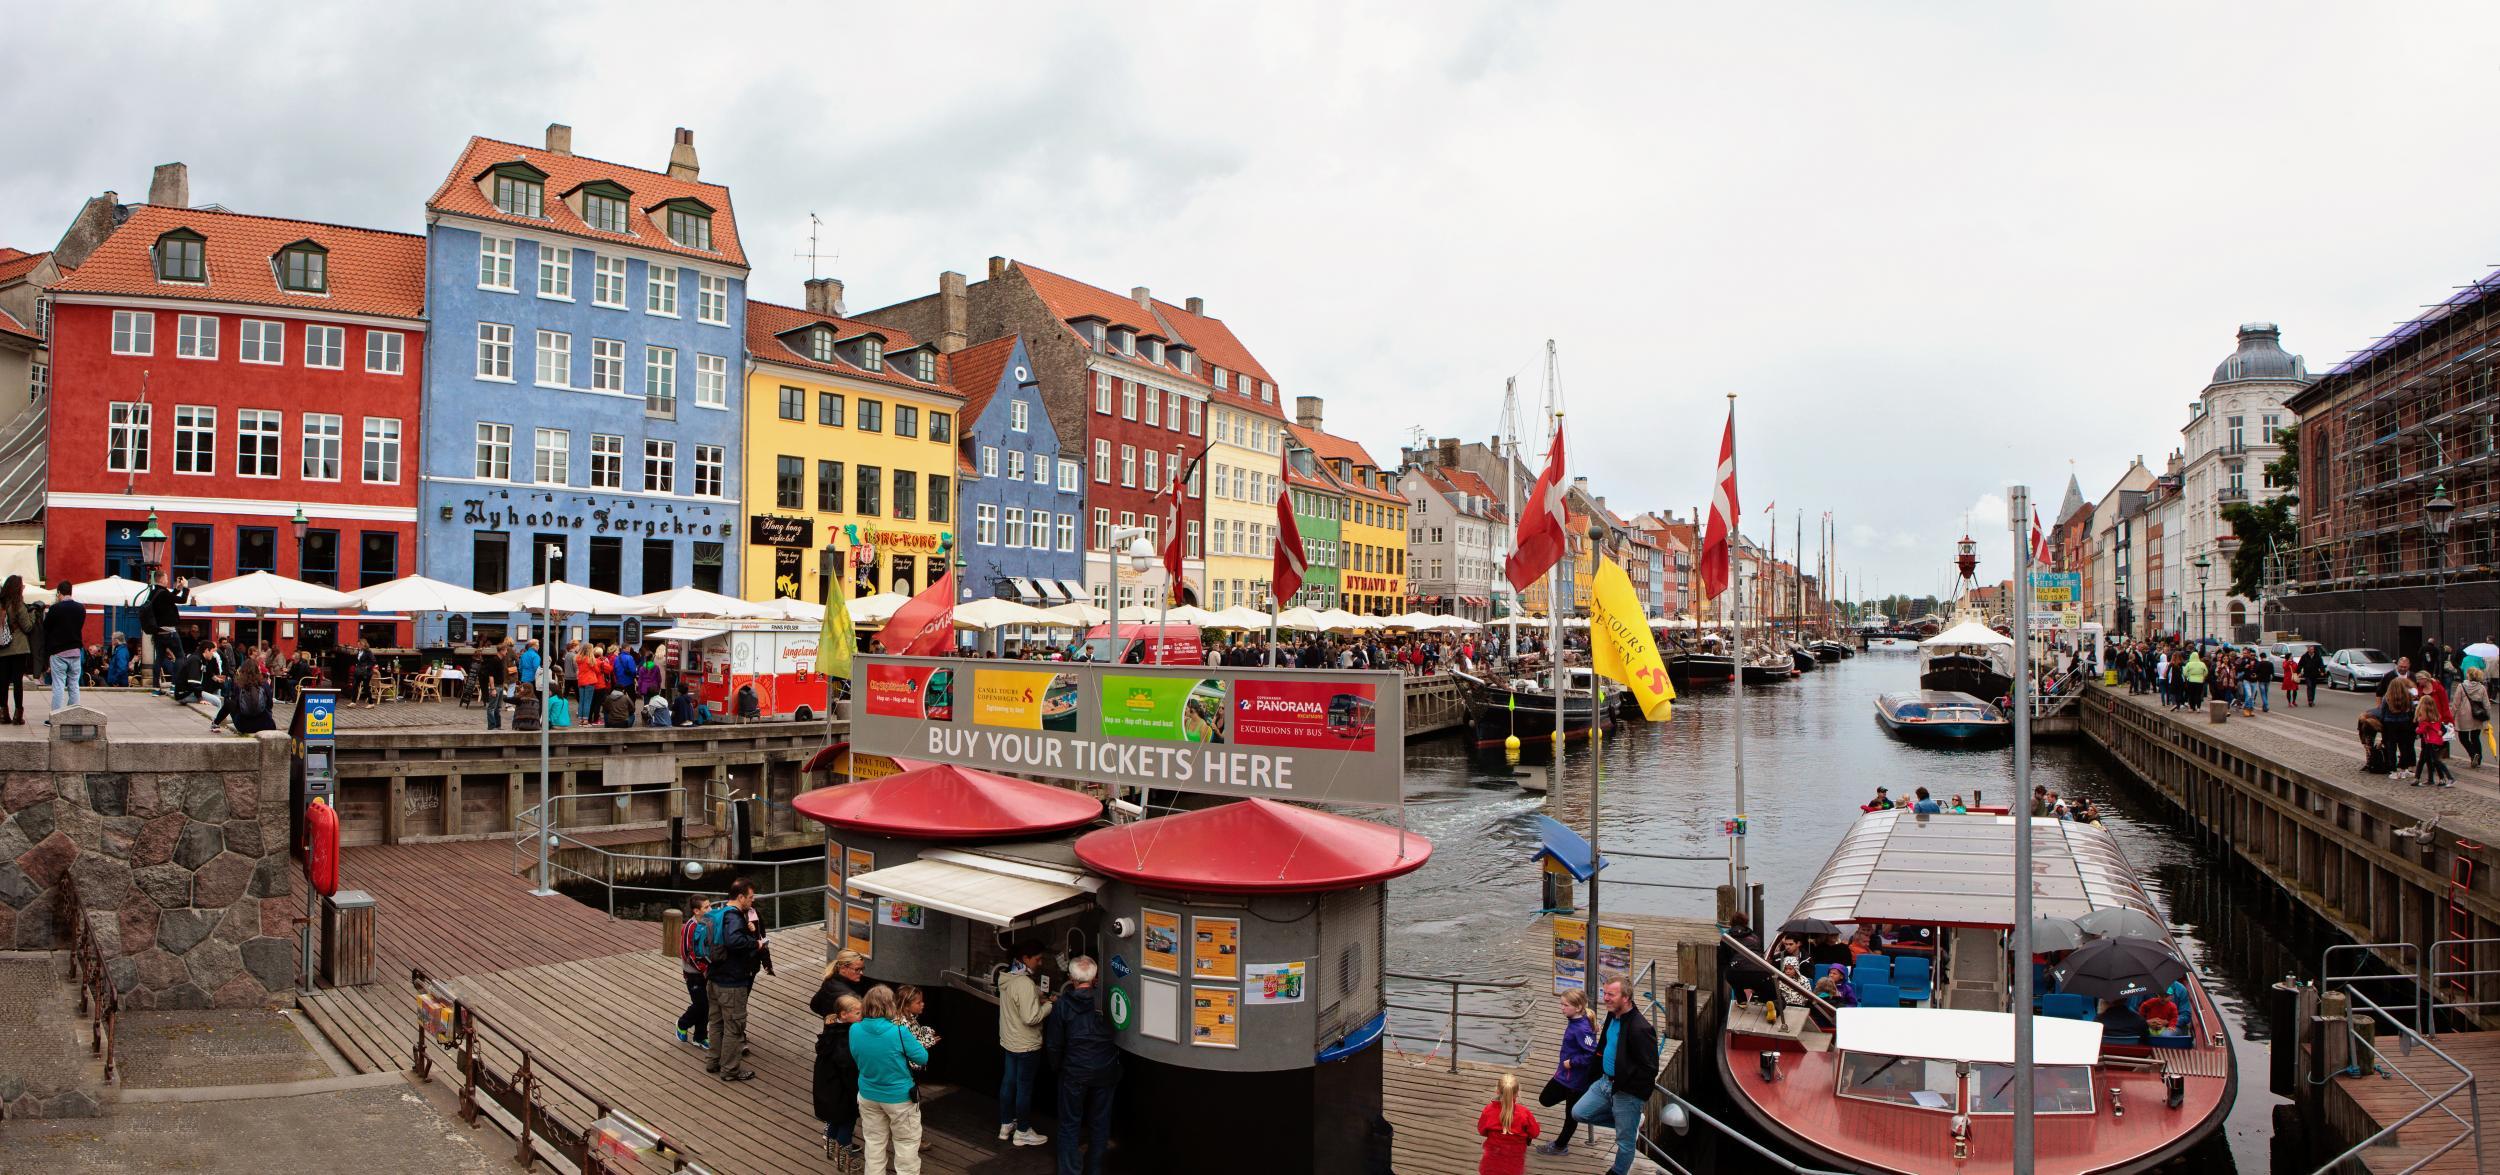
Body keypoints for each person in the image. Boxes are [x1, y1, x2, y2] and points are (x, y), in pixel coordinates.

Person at [1569, 977, 1658, 1175]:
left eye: (1610, 994)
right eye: (1604, 993)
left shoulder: (1640, 1028)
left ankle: (1618, 1171)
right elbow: (1602, 1046)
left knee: (1625, 1143)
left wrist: (1627, 1088)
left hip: (1625, 1091)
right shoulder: (1612, 1015)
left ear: (1625, 998)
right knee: (1579, 1113)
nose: (1605, 998)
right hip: (1603, 1082)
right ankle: (1633, 1123)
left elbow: (1650, 1068)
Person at [1044, 955, 1120, 1175]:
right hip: (1106, 1071)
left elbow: (1054, 1044)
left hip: (1074, 1072)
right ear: (1095, 978)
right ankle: (1094, 1169)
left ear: (1071, 978)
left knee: (1069, 1124)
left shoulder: (1063, 1005)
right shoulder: (1108, 1001)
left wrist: (1057, 1067)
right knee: (1100, 1124)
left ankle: (1069, 1171)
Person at [852, 984, 928, 1175]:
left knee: (874, 1142)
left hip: (868, 1094)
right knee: (906, 1144)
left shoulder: (855, 1029)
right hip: (900, 1097)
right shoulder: (899, 1032)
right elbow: (922, 1057)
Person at [703, 878, 762, 1082]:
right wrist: (755, 943)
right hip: (732, 982)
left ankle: (713, 1061)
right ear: (740, 897)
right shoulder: (735, 917)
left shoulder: (719, 912)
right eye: (751, 897)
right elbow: (734, 940)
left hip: (714, 979)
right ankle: (730, 1069)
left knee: (716, 1023)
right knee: (734, 1026)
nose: (752, 902)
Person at [997, 941, 1053, 1148]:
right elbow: (1031, 1018)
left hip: (1009, 1041)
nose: (1040, 962)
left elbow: (1018, 996)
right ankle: (1022, 1132)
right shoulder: (1025, 984)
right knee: (1024, 1089)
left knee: (1008, 1082)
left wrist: (1036, 994)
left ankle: (1005, 1125)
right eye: (1037, 959)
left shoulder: (1006, 978)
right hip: (1027, 1045)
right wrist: (1048, 1006)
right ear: (1025, 959)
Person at [1534, 988, 1599, 1157]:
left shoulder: (1581, 1029)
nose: (1561, 1008)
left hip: (1572, 1079)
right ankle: (1560, 1145)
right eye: (1561, 1004)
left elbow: (1591, 1054)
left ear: (1578, 1007)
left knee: (1548, 1100)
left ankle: (1560, 1146)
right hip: (1567, 1076)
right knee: (1569, 1112)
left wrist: (1572, 1062)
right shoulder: (1577, 1021)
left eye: (1565, 1005)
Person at [812, 988, 863, 1161]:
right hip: (841, 1089)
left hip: (827, 1086)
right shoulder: (845, 1038)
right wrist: (856, 1091)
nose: (861, 1016)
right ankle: (844, 1155)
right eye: (857, 1013)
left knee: (834, 1120)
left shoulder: (830, 1031)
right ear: (844, 1014)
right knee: (847, 1121)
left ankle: (830, 1146)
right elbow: (847, 1068)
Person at [1476, 1071, 1541, 1175]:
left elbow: (1482, 1131)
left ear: (1497, 1091)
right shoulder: (1524, 1113)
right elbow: (1535, 1133)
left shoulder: (1488, 1110)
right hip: (1514, 1160)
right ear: (1517, 1093)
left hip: (1492, 1158)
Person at [39, 581, 84, 718]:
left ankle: (56, 718)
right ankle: (73, 716)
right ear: (71, 592)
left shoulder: (55, 609)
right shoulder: (81, 608)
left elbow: (45, 627)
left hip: (59, 652)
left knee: (58, 685)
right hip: (76, 652)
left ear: (59, 593)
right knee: (74, 685)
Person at [676, 896, 713, 1050]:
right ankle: (682, 1023)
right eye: (706, 907)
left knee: (707, 1005)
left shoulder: (708, 923)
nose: (710, 910)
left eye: (709, 906)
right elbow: (686, 953)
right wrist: (703, 968)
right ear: (696, 911)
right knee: (700, 1004)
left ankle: (700, 1037)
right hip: (693, 974)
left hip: (706, 971)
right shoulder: (689, 926)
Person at [215, 660, 278, 735]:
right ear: (258, 671)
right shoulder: (264, 684)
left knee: (229, 703)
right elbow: (270, 705)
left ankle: (215, 723)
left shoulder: (238, 685)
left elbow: (237, 704)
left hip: (244, 726)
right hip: (266, 725)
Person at [0, 575, 32, 724]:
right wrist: (33, 614)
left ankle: (2, 713)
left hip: (2, 647)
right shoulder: (18, 604)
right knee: (17, 681)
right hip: (18, 647)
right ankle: (18, 715)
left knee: (3, 681)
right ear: (18, 587)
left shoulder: (2, 604)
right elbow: (27, 627)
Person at [2417, 690, 2455, 788]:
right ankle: (2433, 779)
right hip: (2436, 741)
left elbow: (2421, 730)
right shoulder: (2436, 715)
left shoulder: (2424, 719)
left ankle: (2450, 778)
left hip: (2430, 741)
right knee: (2431, 760)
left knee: (2436, 761)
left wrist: (2417, 729)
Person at [2461, 667, 2491, 770]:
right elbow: (2487, 704)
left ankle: (2473, 754)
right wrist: (2487, 719)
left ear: (2468, 675)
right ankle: (2478, 760)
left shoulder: (2461, 686)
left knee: (2463, 737)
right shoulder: (2482, 688)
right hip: (2478, 715)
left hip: (2464, 715)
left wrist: (2452, 715)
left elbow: (2456, 703)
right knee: (2475, 738)